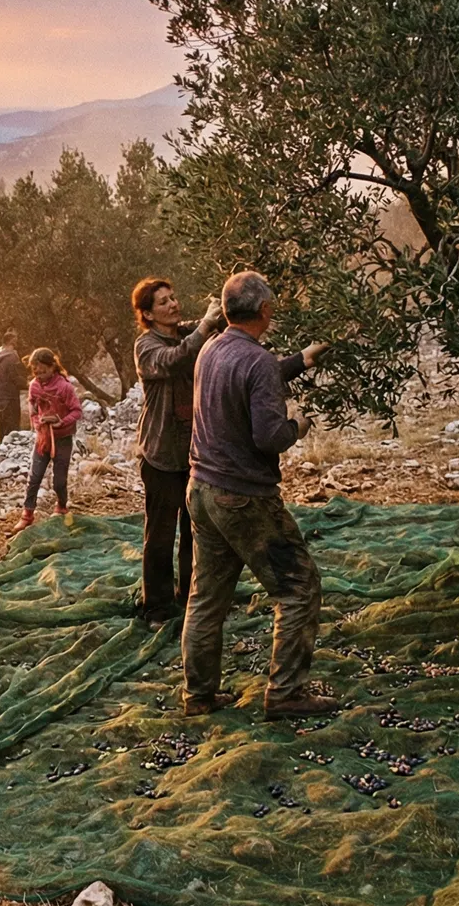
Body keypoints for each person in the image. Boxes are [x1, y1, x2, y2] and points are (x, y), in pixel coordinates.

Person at [182, 271, 333, 719]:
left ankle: (199, 696)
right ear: (265, 310)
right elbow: (270, 437)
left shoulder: (211, 348)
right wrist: (298, 427)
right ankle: (286, 694)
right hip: (243, 497)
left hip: (202, 491)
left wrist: (301, 360)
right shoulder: (258, 361)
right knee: (299, 588)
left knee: (207, 596)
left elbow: (247, 377)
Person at [132, 276, 224, 623]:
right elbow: (175, 360)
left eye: (173, 298)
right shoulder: (147, 346)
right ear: (148, 314)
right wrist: (206, 322)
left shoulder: (187, 333)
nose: (173, 305)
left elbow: (211, 333)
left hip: (193, 454)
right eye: (163, 302)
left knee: (194, 532)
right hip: (160, 456)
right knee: (159, 536)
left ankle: (189, 599)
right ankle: (156, 606)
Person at [18, 347, 82, 529]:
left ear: (53, 367)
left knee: (59, 481)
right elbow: (32, 407)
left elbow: (77, 411)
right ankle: (28, 513)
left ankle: (61, 506)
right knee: (34, 476)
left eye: (43, 371)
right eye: (35, 371)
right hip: (43, 438)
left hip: (62, 439)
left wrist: (61, 422)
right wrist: (38, 422)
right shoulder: (34, 386)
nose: (39, 375)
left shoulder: (65, 387)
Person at [0, 331, 27, 440]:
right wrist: (30, 384)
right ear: (12, 342)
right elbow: (14, 379)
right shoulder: (11, 357)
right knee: (13, 431)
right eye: (16, 341)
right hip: (10, 398)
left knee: (3, 430)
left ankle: (2, 453)